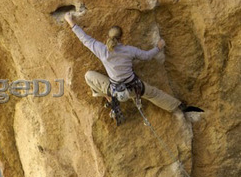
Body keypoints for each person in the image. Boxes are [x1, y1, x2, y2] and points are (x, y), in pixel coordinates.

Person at [63, 12, 202, 121]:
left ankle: (108, 97)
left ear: (108, 38)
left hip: (115, 90)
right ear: (122, 38)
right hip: (135, 88)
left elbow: (84, 39)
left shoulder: (102, 50)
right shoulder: (129, 50)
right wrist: (158, 48)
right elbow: (147, 56)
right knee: (154, 94)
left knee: (88, 76)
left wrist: (70, 21)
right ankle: (178, 106)